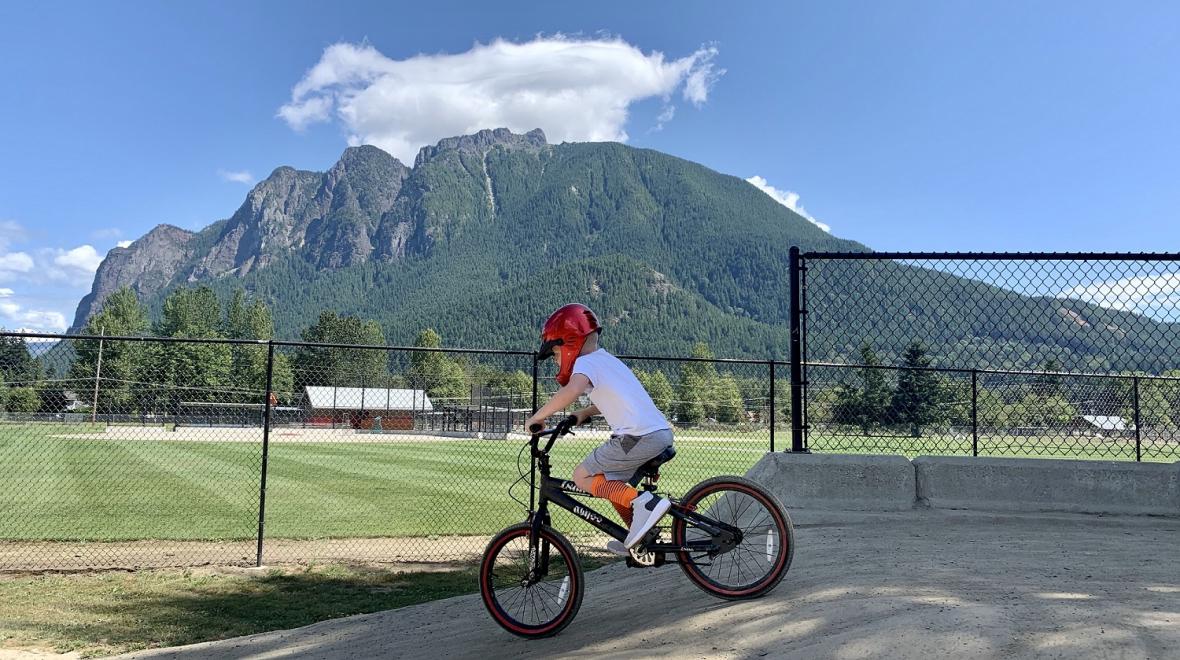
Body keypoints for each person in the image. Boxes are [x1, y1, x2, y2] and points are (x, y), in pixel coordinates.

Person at [525, 303, 674, 553]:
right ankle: (638, 540)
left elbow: (570, 391)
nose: (555, 360)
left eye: (555, 353)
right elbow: (619, 397)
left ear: (570, 341)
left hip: (637, 437)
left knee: (582, 476)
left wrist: (536, 418)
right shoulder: (607, 361)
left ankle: (643, 503)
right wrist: (584, 413)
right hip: (657, 433)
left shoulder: (586, 364)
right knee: (612, 484)